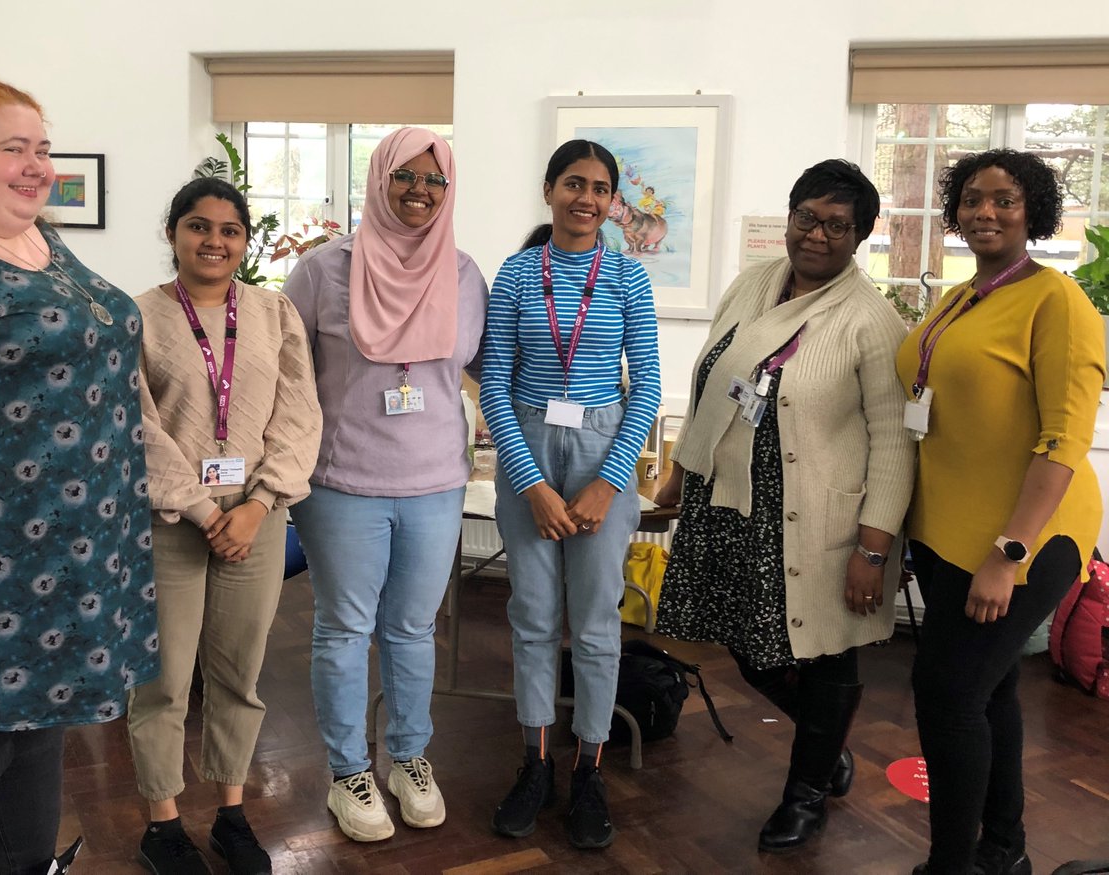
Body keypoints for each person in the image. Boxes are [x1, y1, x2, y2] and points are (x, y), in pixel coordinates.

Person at [0, 79, 158, 874]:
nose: (36, 165)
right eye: (12, 148)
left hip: (70, 563)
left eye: (42, 147)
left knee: (35, 761)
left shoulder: (38, 236)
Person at [654, 159, 915, 853]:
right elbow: (713, 383)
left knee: (824, 654)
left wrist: (872, 548)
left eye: (837, 225)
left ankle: (805, 795)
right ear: (790, 215)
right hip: (727, 503)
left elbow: (894, 445)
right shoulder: (753, 284)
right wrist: (679, 476)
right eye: (807, 217)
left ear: (860, 236)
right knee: (748, 648)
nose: (818, 235)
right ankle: (826, 746)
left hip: (816, 520)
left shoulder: (871, 320)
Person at [897, 150, 1104, 875]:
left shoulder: (1058, 302)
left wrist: (1008, 553)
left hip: (1026, 535)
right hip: (948, 528)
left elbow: (1064, 440)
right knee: (992, 687)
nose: (986, 212)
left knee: (947, 692)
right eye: (973, 199)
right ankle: (1003, 850)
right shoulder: (961, 296)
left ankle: (952, 864)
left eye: (1006, 200)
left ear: (1034, 212)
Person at [282, 127, 487, 843]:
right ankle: (348, 772)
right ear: (379, 177)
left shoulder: (464, 274)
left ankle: (407, 757)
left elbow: (486, 370)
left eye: (434, 180)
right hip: (342, 483)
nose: (419, 191)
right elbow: (287, 376)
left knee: (412, 629)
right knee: (344, 629)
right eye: (405, 175)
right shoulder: (320, 272)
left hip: (436, 482)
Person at [126, 177, 322, 874]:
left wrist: (258, 505)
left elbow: (300, 416)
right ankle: (162, 822)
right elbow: (136, 427)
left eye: (229, 229)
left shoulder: (274, 315)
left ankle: (232, 814)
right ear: (174, 232)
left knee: (240, 673)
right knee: (164, 679)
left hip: (257, 519)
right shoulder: (139, 316)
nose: (214, 241)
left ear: (246, 240)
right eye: (199, 226)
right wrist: (209, 509)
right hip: (172, 521)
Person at [480, 139, 661, 849]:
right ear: (549, 189)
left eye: (600, 188)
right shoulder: (519, 273)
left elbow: (645, 386)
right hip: (528, 440)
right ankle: (534, 762)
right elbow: (493, 381)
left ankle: (588, 766)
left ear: (613, 201)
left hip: (600, 447)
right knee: (529, 614)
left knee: (594, 621)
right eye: (573, 183)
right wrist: (528, 482)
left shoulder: (626, 278)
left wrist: (608, 482)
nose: (586, 198)